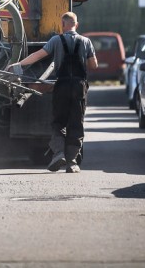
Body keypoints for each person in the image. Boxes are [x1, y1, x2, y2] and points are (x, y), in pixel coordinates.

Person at [8, 11, 97, 173]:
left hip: (61, 86)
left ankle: (59, 153)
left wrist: (18, 65)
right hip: (79, 87)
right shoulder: (86, 41)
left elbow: (38, 55)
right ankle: (72, 162)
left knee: (58, 122)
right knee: (76, 124)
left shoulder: (56, 40)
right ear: (76, 25)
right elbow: (93, 65)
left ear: (62, 25)